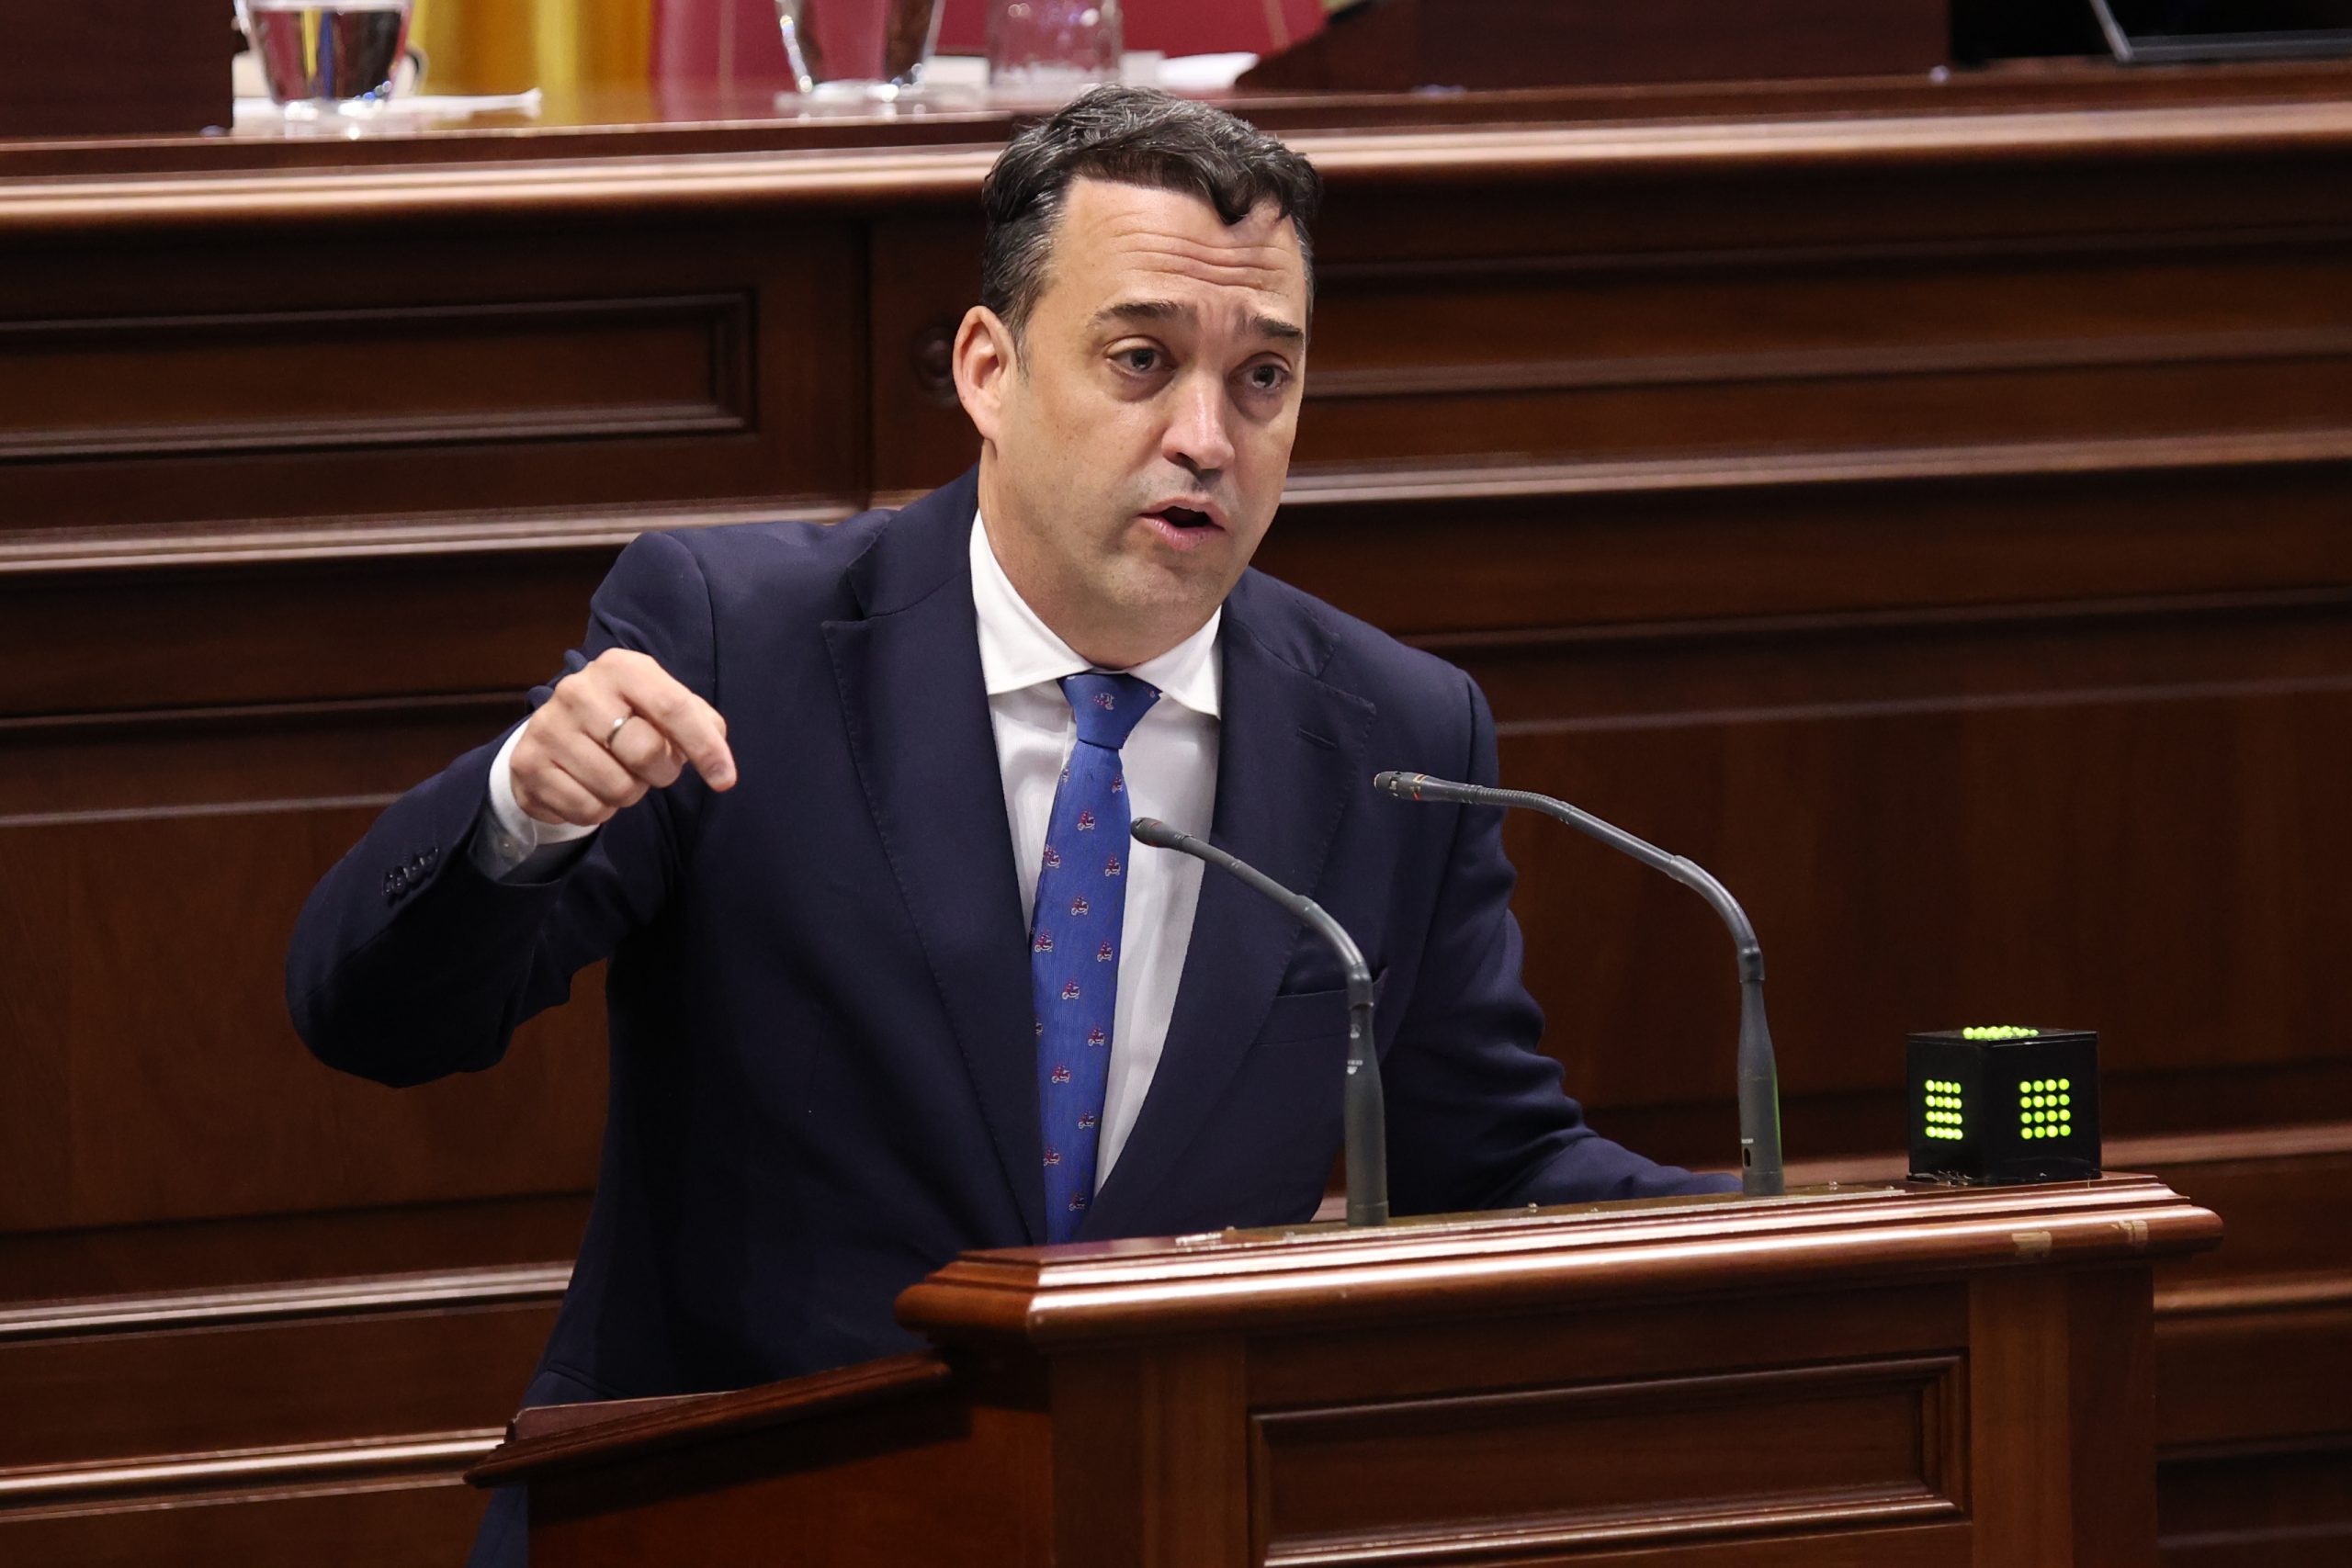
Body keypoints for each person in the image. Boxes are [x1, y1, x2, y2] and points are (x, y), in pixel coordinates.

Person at [286, 85, 1735, 1566]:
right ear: (989, 368)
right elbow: (378, 1017)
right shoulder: (739, 644)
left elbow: (1484, 1165)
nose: (1206, 437)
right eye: (1140, 360)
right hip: (727, 1519)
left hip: (1146, 1519)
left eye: (1263, 378)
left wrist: (1817, 1229)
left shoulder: (1396, 736)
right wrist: (517, 813)